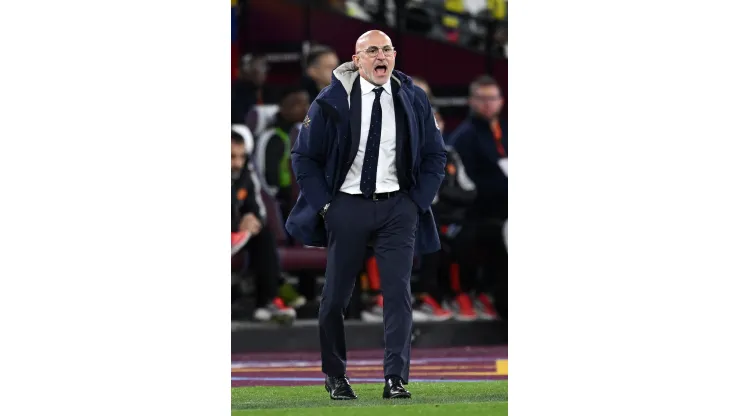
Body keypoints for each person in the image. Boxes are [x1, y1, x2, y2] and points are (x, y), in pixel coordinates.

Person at [285, 30, 446, 400]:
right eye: (371, 50)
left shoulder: (413, 97)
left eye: (386, 49)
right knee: (336, 298)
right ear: (356, 60)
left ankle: (395, 378)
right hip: (347, 206)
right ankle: (335, 375)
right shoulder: (331, 100)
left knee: (398, 294)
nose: (381, 56)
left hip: (397, 208)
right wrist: (327, 205)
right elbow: (303, 157)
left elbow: (436, 154)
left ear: (394, 56)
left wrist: (416, 202)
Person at [448, 75, 508, 320]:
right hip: (480, 212)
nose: (487, 104)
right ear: (471, 101)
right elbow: (466, 183)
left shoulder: (507, 130)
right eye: (481, 98)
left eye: (492, 98)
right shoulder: (465, 136)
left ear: (501, 101)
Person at [231, 129, 297, 324]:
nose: (237, 163)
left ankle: (267, 301)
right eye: (232, 157)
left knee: (264, 235)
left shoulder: (245, 172)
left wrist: (251, 217)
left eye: (241, 156)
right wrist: (238, 223)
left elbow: (258, 207)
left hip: (235, 235)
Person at [254, 86, 310, 222]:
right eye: (297, 104)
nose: (306, 109)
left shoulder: (308, 133)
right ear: (283, 109)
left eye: (306, 103)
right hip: (285, 202)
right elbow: (270, 181)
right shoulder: (274, 137)